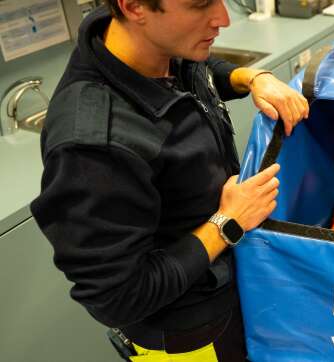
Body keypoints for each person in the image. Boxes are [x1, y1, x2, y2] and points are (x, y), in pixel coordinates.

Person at [30, 0, 308, 360]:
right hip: (192, 336)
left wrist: (252, 78)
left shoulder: (149, 44)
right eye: (200, 6)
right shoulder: (92, 144)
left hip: (231, 290)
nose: (222, 19)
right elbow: (119, 297)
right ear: (133, 7)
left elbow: (197, 68)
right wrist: (227, 222)